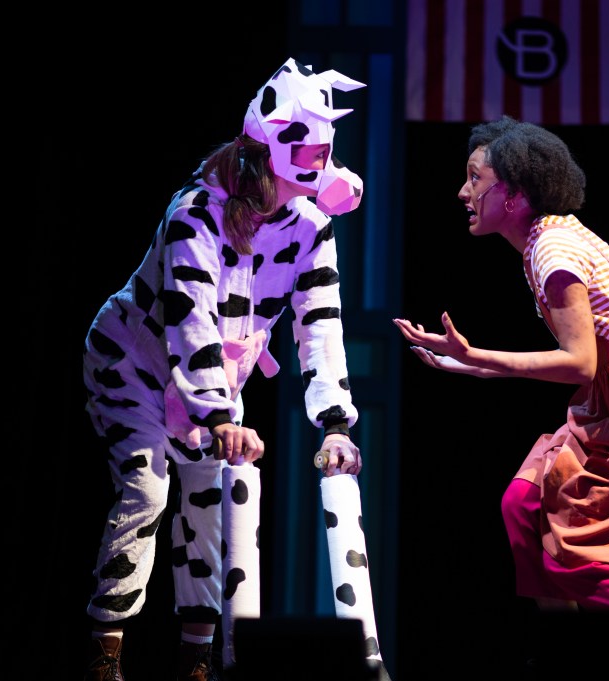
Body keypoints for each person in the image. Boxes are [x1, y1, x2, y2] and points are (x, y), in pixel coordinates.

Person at [81, 57, 390, 681]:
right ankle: (104, 653)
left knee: (211, 505)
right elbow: (190, 315)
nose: (322, 166)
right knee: (148, 489)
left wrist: (335, 422)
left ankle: (196, 660)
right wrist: (220, 415)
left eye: (325, 154)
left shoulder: (311, 227)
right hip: (135, 364)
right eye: (311, 154)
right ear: (274, 152)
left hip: (216, 381)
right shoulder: (196, 212)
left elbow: (319, 326)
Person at [393, 116, 609, 616]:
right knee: (524, 505)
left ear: (514, 193)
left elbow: (579, 363)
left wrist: (475, 355)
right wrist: (476, 367)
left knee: (573, 543)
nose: (464, 192)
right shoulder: (542, 241)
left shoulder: (552, 249)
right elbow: (585, 360)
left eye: (475, 178)